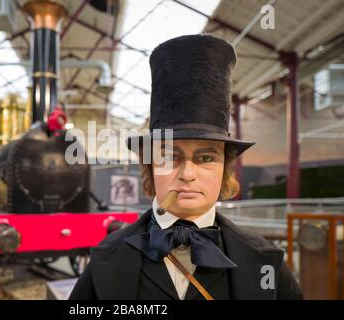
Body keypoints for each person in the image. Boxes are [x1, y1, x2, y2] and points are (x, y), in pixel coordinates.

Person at [69, 34, 303, 300]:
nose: (187, 174)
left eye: (205, 158)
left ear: (225, 169)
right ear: (150, 167)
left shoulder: (263, 260)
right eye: (170, 158)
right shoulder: (107, 258)